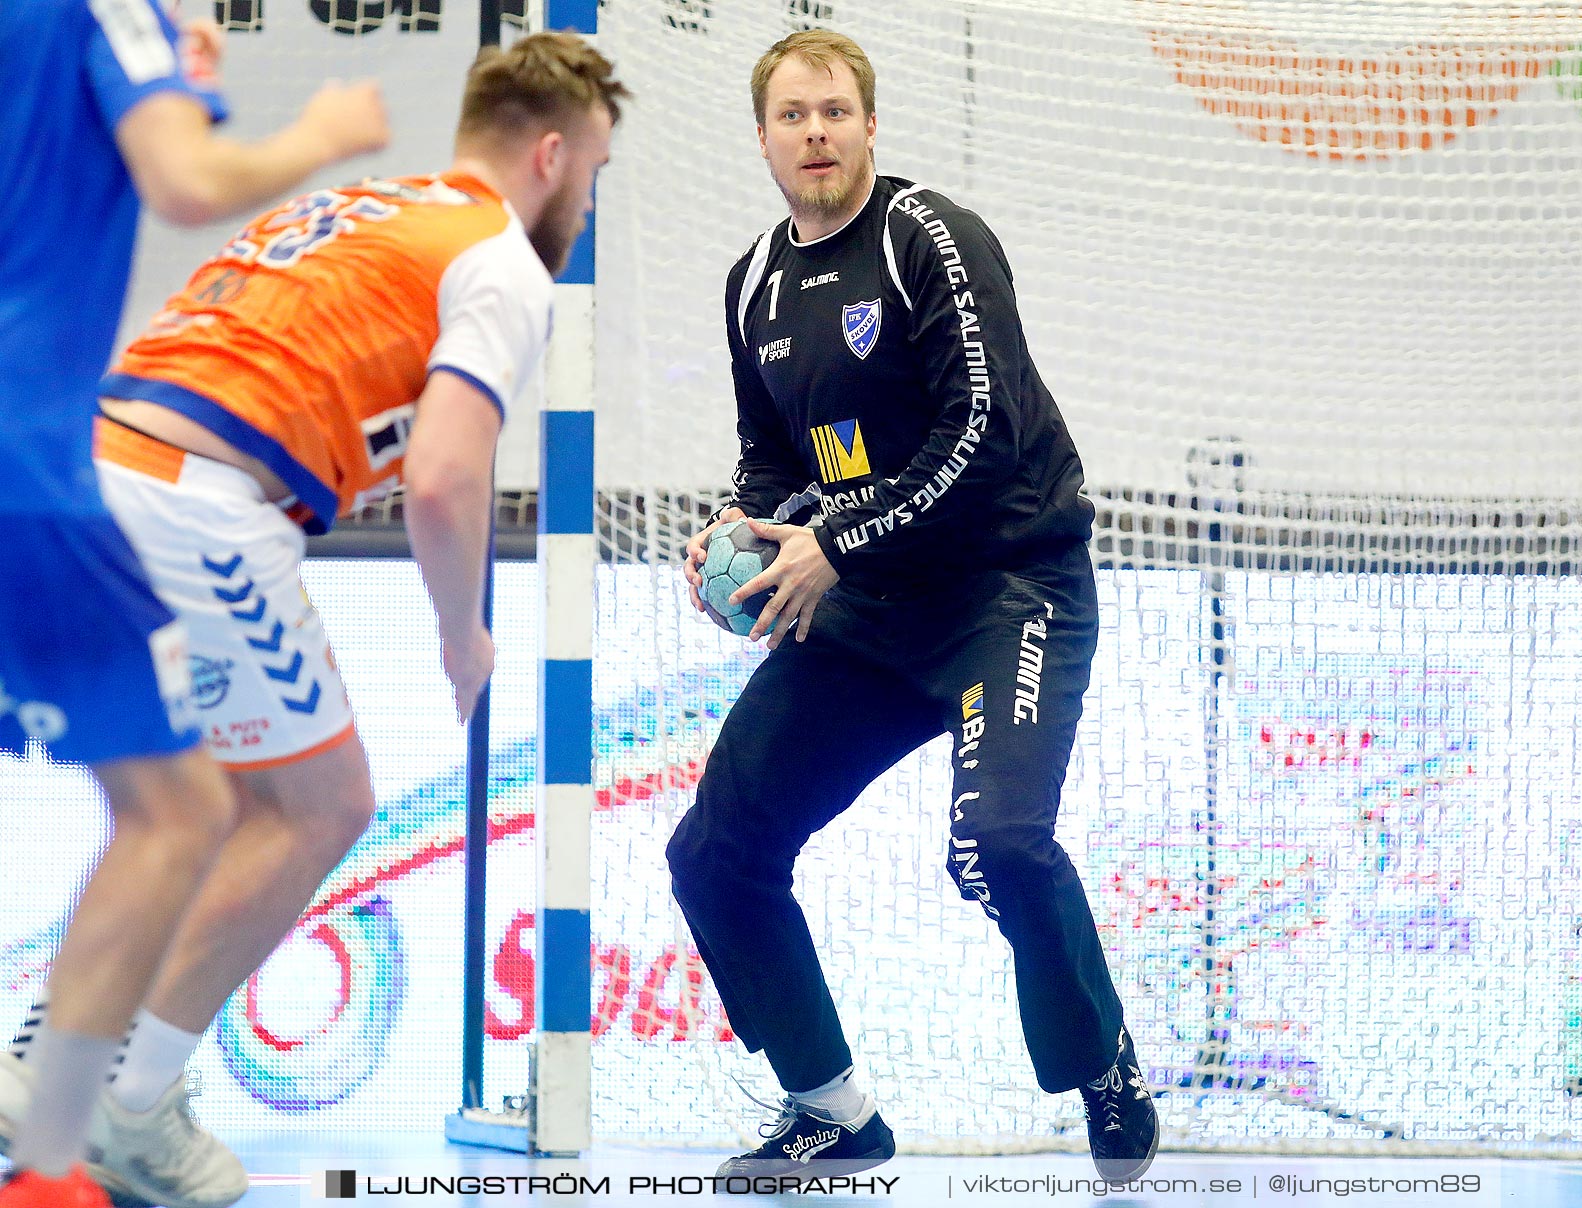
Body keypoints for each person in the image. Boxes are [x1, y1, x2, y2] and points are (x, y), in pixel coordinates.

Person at [0, 28, 626, 1208]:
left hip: (100, 464)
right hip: (198, 500)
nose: (583, 205)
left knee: (197, 803)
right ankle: (122, 1102)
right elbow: (446, 473)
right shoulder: (500, 259)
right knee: (324, 800)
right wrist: (462, 632)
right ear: (551, 155)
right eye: (590, 178)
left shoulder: (369, 204)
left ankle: (58, 1057)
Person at [670, 28, 1158, 1184]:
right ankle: (831, 1108)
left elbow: (978, 441)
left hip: (1008, 586)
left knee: (995, 845)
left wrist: (828, 537)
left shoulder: (927, 236)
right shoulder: (752, 282)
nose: (817, 133)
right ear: (764, 139)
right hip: (867, 607)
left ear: (871, 125)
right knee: (716, 852)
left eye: (835, 110)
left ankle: (1104, 1065)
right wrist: (733, 538)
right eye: (793, 116)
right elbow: (769, 459)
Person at [0, 2, 387, 1204]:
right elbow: (186, 176)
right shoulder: (104, 9)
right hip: (27, 470)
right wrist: (322, 133)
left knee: (177, 802)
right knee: (179, 809)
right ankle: (52, 1151)